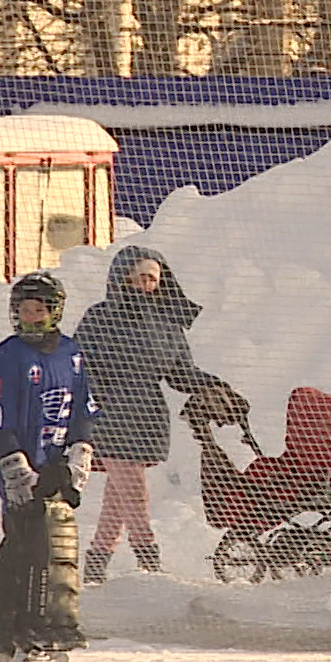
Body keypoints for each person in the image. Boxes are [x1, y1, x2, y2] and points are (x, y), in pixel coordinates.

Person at [0, 272, 99, 662]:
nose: (30, 317)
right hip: (19, 462)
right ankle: (11, 630)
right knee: (27, 541)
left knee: (35, 544)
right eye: (23, 310)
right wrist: (14, 464)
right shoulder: (11, 354)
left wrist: (78, 454)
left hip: (54, 462)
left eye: (39, 310)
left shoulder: (71, 353)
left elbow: (83, 409)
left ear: (55, 312)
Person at [73, 246, 223, 583]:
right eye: (140, 276)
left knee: (119, 497)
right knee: (135, 492)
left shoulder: (166, 324)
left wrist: (213, 386)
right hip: (110, 416)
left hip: (147, 416)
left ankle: (96, 565)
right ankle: (149, 561)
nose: (146, 284)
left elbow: (181, 373)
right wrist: (94, 401)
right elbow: (79, 366)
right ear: (122, 277)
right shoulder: (99, 318)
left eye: (153, 278)